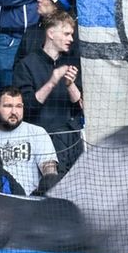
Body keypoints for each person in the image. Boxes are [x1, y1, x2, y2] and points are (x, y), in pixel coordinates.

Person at [12, 9, 81, 167]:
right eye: (66, 34)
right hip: (39, 139)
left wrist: (70, 85)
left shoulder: (73, 62)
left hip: (69, 138)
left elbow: (80, 107)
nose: (71, 39)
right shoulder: (26, 65)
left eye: (71, 34)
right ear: (51, 33)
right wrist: (52, 81)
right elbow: (26, 107)